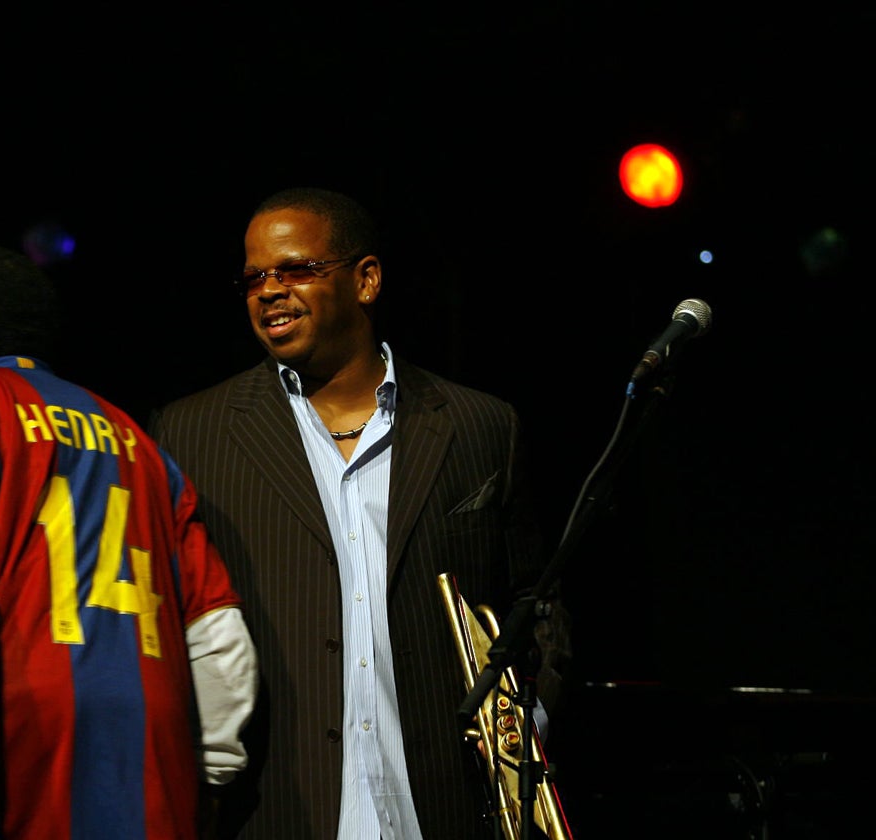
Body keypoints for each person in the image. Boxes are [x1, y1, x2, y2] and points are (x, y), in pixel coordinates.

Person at [148, 187, 572, 838]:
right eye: (255, 276)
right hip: (277, 812)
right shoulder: (193, 435)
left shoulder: (477, 425)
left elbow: (533, 605)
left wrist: (518, 736)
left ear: (366, 280)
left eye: (295, 270)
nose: (269, 290)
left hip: (446, 811)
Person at [0, 244, 258, 840]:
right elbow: (218, 632)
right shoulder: (140, 443)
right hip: (153, 757)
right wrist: (209, 771)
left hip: (18, 749)